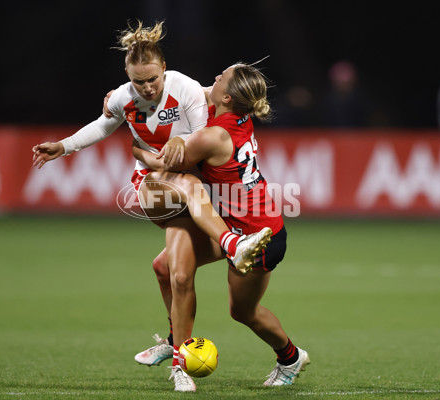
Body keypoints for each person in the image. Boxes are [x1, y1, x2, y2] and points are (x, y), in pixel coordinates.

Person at [31, 21, 271, 391]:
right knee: (188, 193)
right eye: (138, 81)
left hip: (191, 184)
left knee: (171, 272)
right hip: (155, 187)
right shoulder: (122, 98)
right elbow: (101, 125)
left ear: (164, 69)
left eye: (153, 79)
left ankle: (174, 346)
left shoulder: (186, 89)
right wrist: (63, 147)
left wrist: (174, 145)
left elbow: (200, 134)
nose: (147, 88)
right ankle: (230, 251)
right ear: (128, 76)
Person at [126, 62, 310, 389]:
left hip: (259, 236)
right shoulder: (233, 111)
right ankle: (174, 339)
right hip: (234, 226)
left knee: (243, 312)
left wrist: (136, 147)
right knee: (164, 267)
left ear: (227, 98)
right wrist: (123, 95)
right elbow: (182, 89)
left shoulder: (213, 136)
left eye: (221, 78)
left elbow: (161, 163)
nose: (215, 78)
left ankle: (290, 357)